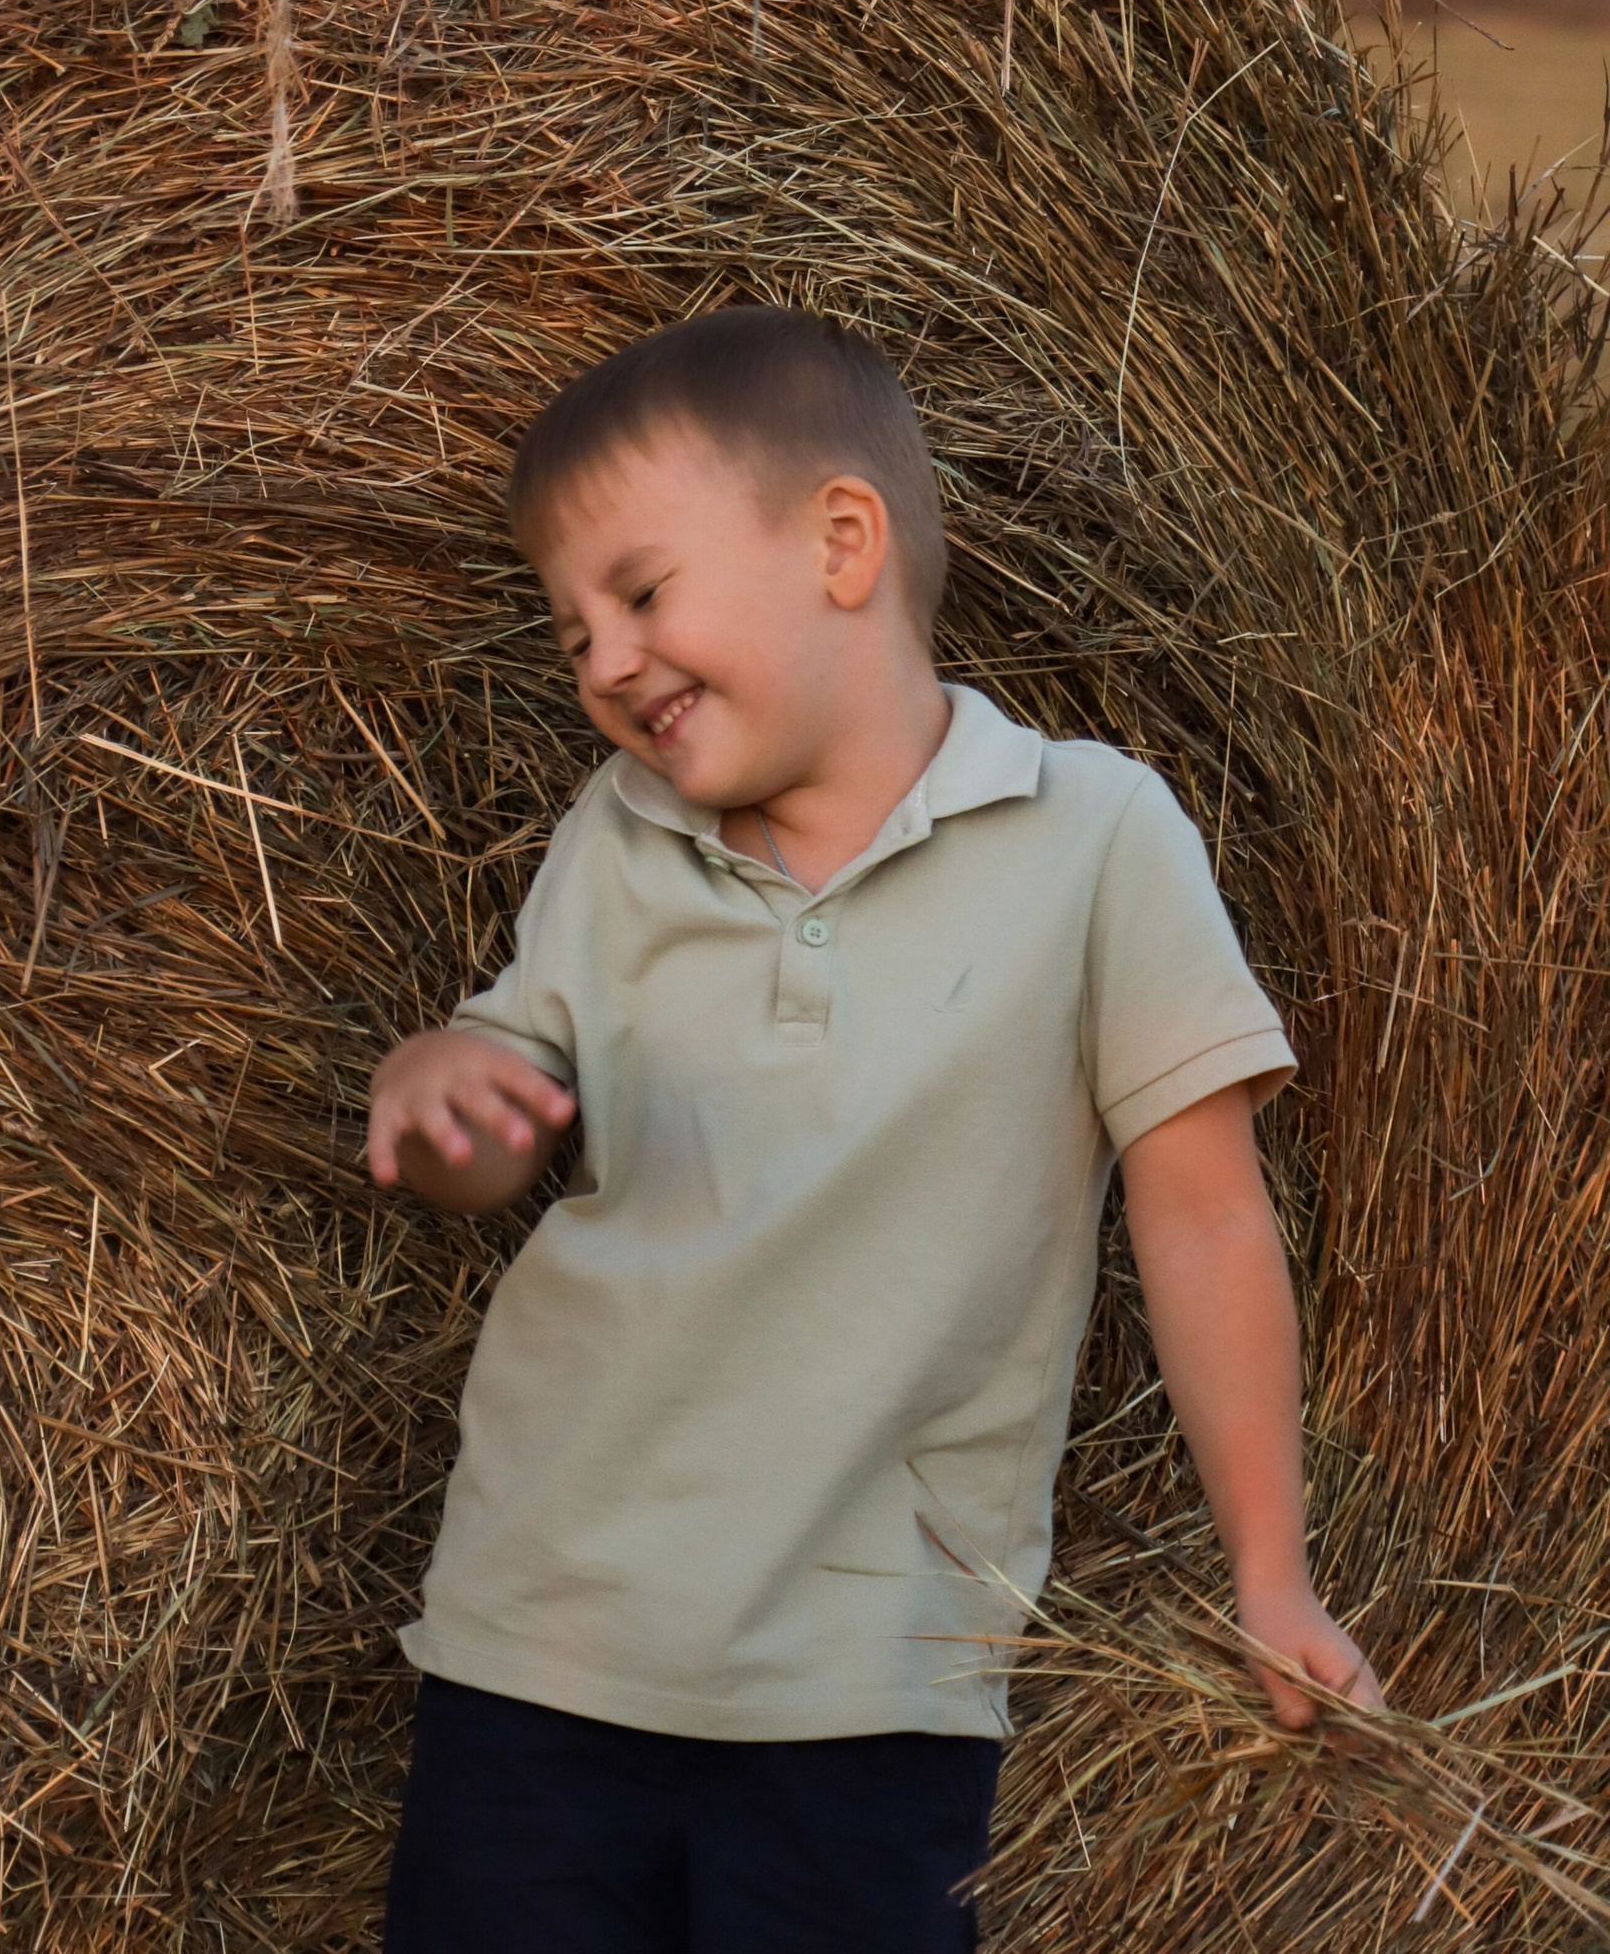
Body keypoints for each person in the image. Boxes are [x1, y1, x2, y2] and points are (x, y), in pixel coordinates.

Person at [366, 308, 1382, 1954]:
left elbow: (1201, 1212)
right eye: (574, 635)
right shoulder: (620, 839)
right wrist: (439, 1092)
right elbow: (501, 1124)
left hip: (872, 1691)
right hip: (543, 1642)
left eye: (642, 594)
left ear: (843, 543)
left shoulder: (1094, 836)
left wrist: (1271, 1570)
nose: (606, 661)